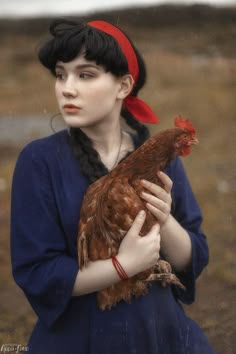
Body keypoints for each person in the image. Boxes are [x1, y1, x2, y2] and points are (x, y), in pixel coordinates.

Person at [10, 19, 216, 354]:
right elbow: (38, 272)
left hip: (161, 331)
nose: (66, 88)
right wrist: (123, 266)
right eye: (61, 74)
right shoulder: (41, 161)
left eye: (85, 74)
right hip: (85, 337)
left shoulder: (162, 160)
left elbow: (194, 256)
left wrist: (166, 221)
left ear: (123, 86)